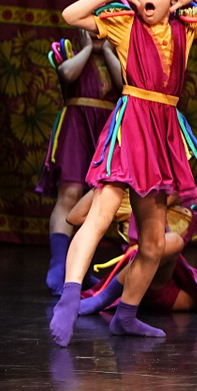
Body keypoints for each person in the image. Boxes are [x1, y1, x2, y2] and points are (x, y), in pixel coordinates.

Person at [49, 0, 197, 345]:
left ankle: (126, 315)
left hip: (163, 132)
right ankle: (69, 297)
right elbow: (71, 15)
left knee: (153, 243)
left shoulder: (186, 26)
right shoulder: (124, 23)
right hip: (132, 124)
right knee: (99, 215)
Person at [74, 193, 197, 318]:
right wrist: (103, 184)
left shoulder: (181, 210)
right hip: (138, 269)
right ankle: (104, 297)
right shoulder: (126, 199)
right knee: (172, 241)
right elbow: (74, 217)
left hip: (167, 282)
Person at [38, 28, 123, 293]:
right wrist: (87, 49)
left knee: (95, 200)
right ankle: (58, 265)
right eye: (91, 28)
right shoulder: (69, 54)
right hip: (76, 126)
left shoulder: (118, 59)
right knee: (70, 192)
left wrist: (108, 51)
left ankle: (81, 270)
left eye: (103, 28)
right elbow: (67, 74)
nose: (97, 33)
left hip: (105, 130)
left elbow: (125, 87)